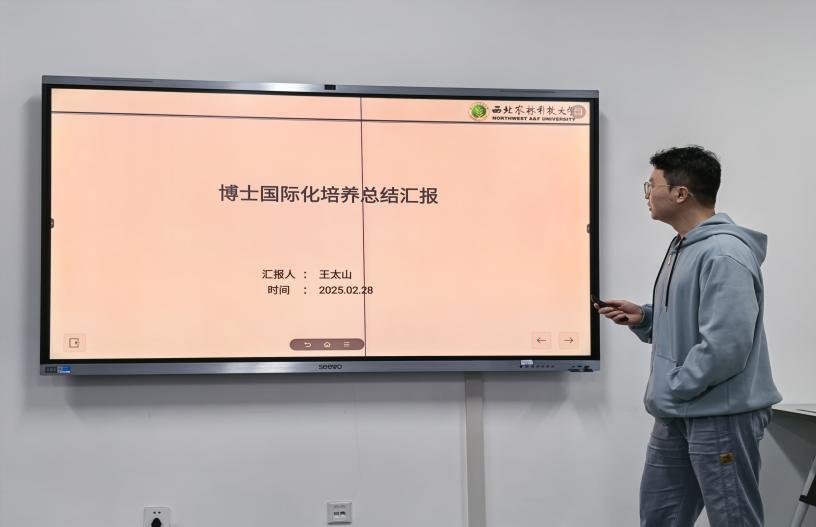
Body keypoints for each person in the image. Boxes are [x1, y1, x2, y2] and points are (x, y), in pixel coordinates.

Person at [595, 146, 782, 527]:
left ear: (681, 193)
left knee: (733, 519)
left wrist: (677, 383)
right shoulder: (683, 246)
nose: (647, 193)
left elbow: (727, 346)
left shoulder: (724, 253)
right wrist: (645, 318)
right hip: (678, 412)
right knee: (660, 517)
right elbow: (693, 323)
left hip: (719, 414)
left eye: (652, 185)